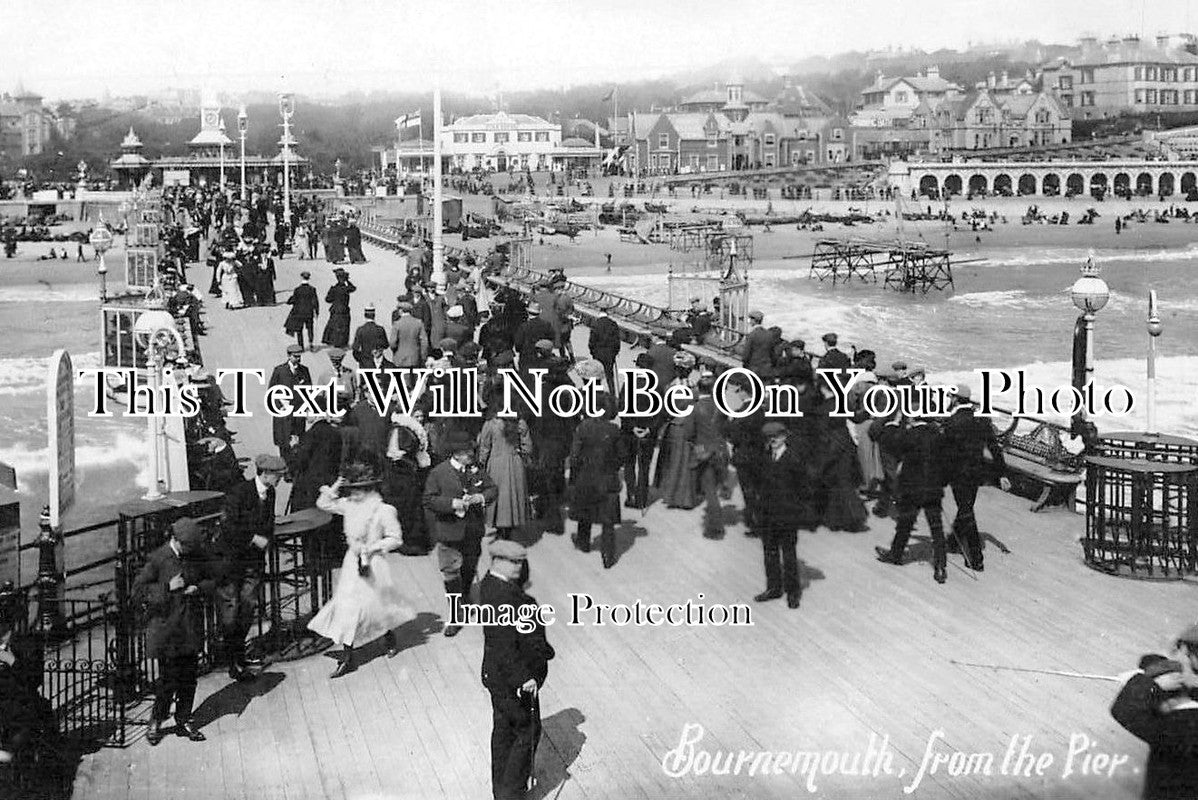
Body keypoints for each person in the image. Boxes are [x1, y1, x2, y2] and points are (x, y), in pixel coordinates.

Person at [310, 463, 416, 678]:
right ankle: (348, 657)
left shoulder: (383, 510)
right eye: (352, 489)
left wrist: (374, 547)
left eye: (359, 489)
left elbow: (396, 539)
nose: (354, 493)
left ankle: (388, 637)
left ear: (370, 490)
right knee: (349, 607)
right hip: (353, 563)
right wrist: (337, 484)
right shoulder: (348, 505)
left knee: (376, 605)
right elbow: (322, 503)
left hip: (374, 564)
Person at [479, 540, 555, 800]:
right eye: (514, 562)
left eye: (521, 562)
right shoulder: (501, 597)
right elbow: (504, 646)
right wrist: (524, 678)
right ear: (497, 561)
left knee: (503, 731)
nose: (519, 567)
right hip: (513, 682)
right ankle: (512, 793)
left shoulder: (491, 585)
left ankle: (501, 791)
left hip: (498, 678)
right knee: (527, 731)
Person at [133, 517, 217, 744]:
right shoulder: (158, 559)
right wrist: (167, 588)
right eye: (186, 547)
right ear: (175, 540)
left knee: (190, 677)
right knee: (168, 680)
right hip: (168, 631)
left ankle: (183, 719)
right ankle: (156, 721)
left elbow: (213, 579)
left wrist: (198, 588)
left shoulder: (195, 555)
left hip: (189, 627)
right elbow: (138, 591)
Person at [215, 454, 285, 681]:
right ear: (265, 474)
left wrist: (265, 539)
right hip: (231, 561)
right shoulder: (239, 493)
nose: (280, 479)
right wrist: (254, 537)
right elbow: (228, 525)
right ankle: (232, 659)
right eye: (278, 475)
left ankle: (237, 655)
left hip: (253, 562)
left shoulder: (270, 493)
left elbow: (269, 522)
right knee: (231, 610)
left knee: (248, 607)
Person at [423, 430, 498, 637]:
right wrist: (451, 504)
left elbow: (492, 489)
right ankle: (455, 616)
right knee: (450, 572)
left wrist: (480, 498)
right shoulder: (438, 473)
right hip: (449, 531)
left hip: (473, 530)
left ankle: (464, 596)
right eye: (466, 452)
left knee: (469, 568)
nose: (471, 455)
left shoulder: (476, 470)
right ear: (455, 454)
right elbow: (428, 500)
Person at [873, 402, 948, 583]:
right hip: (932, 489)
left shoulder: (910, 434)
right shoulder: (938, 436)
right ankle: (940, 567)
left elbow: (893, 447)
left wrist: (895, 424)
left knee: (905, 523)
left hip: (913, 488)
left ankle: (896, 554)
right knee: (936, 529)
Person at [940, 385, 1009, 571]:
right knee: (966, 506)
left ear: (955, 399)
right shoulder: (982, 420)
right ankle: (953, 542)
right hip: (976, 473)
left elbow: (943, 452)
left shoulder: (952, 421)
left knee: (966, 510)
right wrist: (1001, 473)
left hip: (958, 474)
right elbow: (994, 448)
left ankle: (975, 558)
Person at [754, 422, 816, 609]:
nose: (772, 441)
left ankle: (793, 592)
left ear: (784, 437)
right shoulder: (765, 456)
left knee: (789, 555)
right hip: (768, 513)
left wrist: (798, 509)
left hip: (788, 515)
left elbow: (804, 488)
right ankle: (773, 588)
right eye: (769, 438)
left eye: (776, 437)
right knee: (770, 552)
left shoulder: (794, 459)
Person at [569, 396, 623, 568]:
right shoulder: (614, 430)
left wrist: (574, 476)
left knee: (585, 512)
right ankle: (608, 555)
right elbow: (622, 456)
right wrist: (612, 467)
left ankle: (583, 542)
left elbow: (575, 456)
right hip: (607, 478)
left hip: (586, 476)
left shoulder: (583, 428)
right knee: (608, 521)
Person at [478, 415, 533, 540]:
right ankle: (510, 527)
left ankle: (499, 527)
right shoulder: (520, 423)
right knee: (513, 496)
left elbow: (485, 447)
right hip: (515, 463)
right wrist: (519, 452)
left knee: (498, 497)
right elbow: (527, 447)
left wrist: (482, 462)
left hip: (496, 463)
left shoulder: (490, 424)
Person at [268, 344, 312, 460]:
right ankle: (285, 467)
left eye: (299, 356)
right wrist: (279, 406)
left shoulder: (304, 371)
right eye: (295, 356)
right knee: (284, 442)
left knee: (298, 442)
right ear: (289, 356)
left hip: (298, 413)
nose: (298, 359)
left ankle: (295, 469)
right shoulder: (279, 371)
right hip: (284, 414)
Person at [284, 271, 319, 351]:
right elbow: (315, 301)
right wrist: (316, 312)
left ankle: (301, 346)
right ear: (309, 279)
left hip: (299, 313)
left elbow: (293, 300)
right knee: (310, 328)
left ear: (301, 278)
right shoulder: (312, 289)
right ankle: (310, 343)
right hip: (309, 313)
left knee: (299, 330)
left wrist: (289, 301)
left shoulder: (297, 290)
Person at [587, 308, 621, 393]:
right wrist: (615, 353)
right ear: (607, 313)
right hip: (609, 354)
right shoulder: (613, 324)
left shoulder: (595, 324)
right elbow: (617, 341)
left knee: (597, 375)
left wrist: (593, 353)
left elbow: (591, 342)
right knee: (610, 376)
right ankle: (612, 393)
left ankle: (597, 394)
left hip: (598, 354)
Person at [321, 268, 356, 349]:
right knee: (344, 327)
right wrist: (347, 281)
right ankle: (342, 343)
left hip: (335, 310)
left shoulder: (334, 288)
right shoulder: (346, 288)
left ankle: (334, 342)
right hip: (344, 310)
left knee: (334, 326)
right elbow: (353, 288)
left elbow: (327, 299)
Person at [351, 305, 389, 369]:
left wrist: (360, 359)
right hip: (378, 363)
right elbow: (386, 345)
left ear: (365, 315)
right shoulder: (380, 329)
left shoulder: (360, 330)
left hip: (364, 363)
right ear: (374, 315)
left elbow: (355, 348)